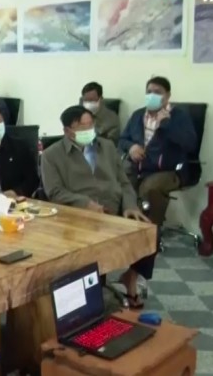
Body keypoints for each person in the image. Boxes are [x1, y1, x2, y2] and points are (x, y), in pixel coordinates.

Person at [42, 106, 152, 307]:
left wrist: (130, 205)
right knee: (94, 251)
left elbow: (124, 182)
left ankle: (131, 278)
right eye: (81, 126)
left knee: (149, 232)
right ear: (67, 131)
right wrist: (85, 203)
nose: (88, 130)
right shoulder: (51, 155)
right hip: (82, 214)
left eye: (90, 124)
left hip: (115, 209)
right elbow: (55, 192)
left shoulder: (107, 147)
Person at [118, 76, 197, 227]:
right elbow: (122, 140)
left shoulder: (179, 117)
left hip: (170, 171)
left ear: (167, 96)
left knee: (149, 188)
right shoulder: (138, 115)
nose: (152, 95)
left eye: (157, 92)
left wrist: (166, 124)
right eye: (149, 92)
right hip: (138, 167)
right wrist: (131, 147)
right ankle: (123, 227)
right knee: (120, 185)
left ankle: (150, 229)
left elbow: (189, 144)